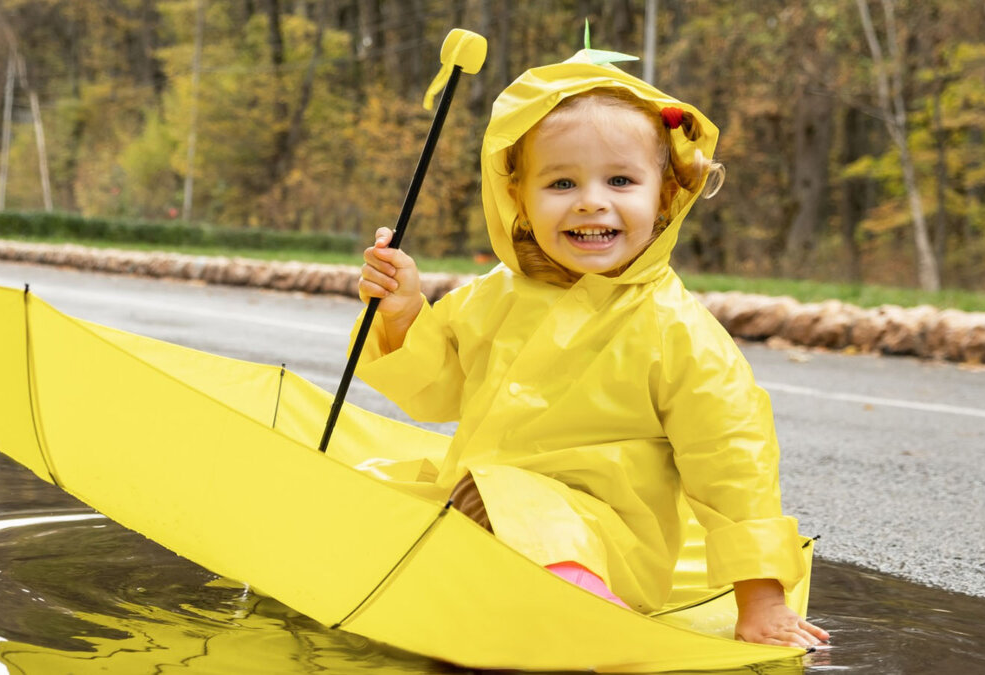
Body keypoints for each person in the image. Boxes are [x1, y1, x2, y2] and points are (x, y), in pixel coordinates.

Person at [354, 48, 830, 649]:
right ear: (518, 199)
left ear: (664, 197)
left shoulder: (677, 331)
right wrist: (401, 315)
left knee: (501, 505)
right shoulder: (493, 298)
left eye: (621, 181)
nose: (590, 201)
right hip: (477, 504)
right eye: (561, 183)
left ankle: (576, 616)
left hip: (607, 544)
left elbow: (733, 464)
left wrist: (760, 598)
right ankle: (484, 608)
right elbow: (436, 391)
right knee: (364, 496)